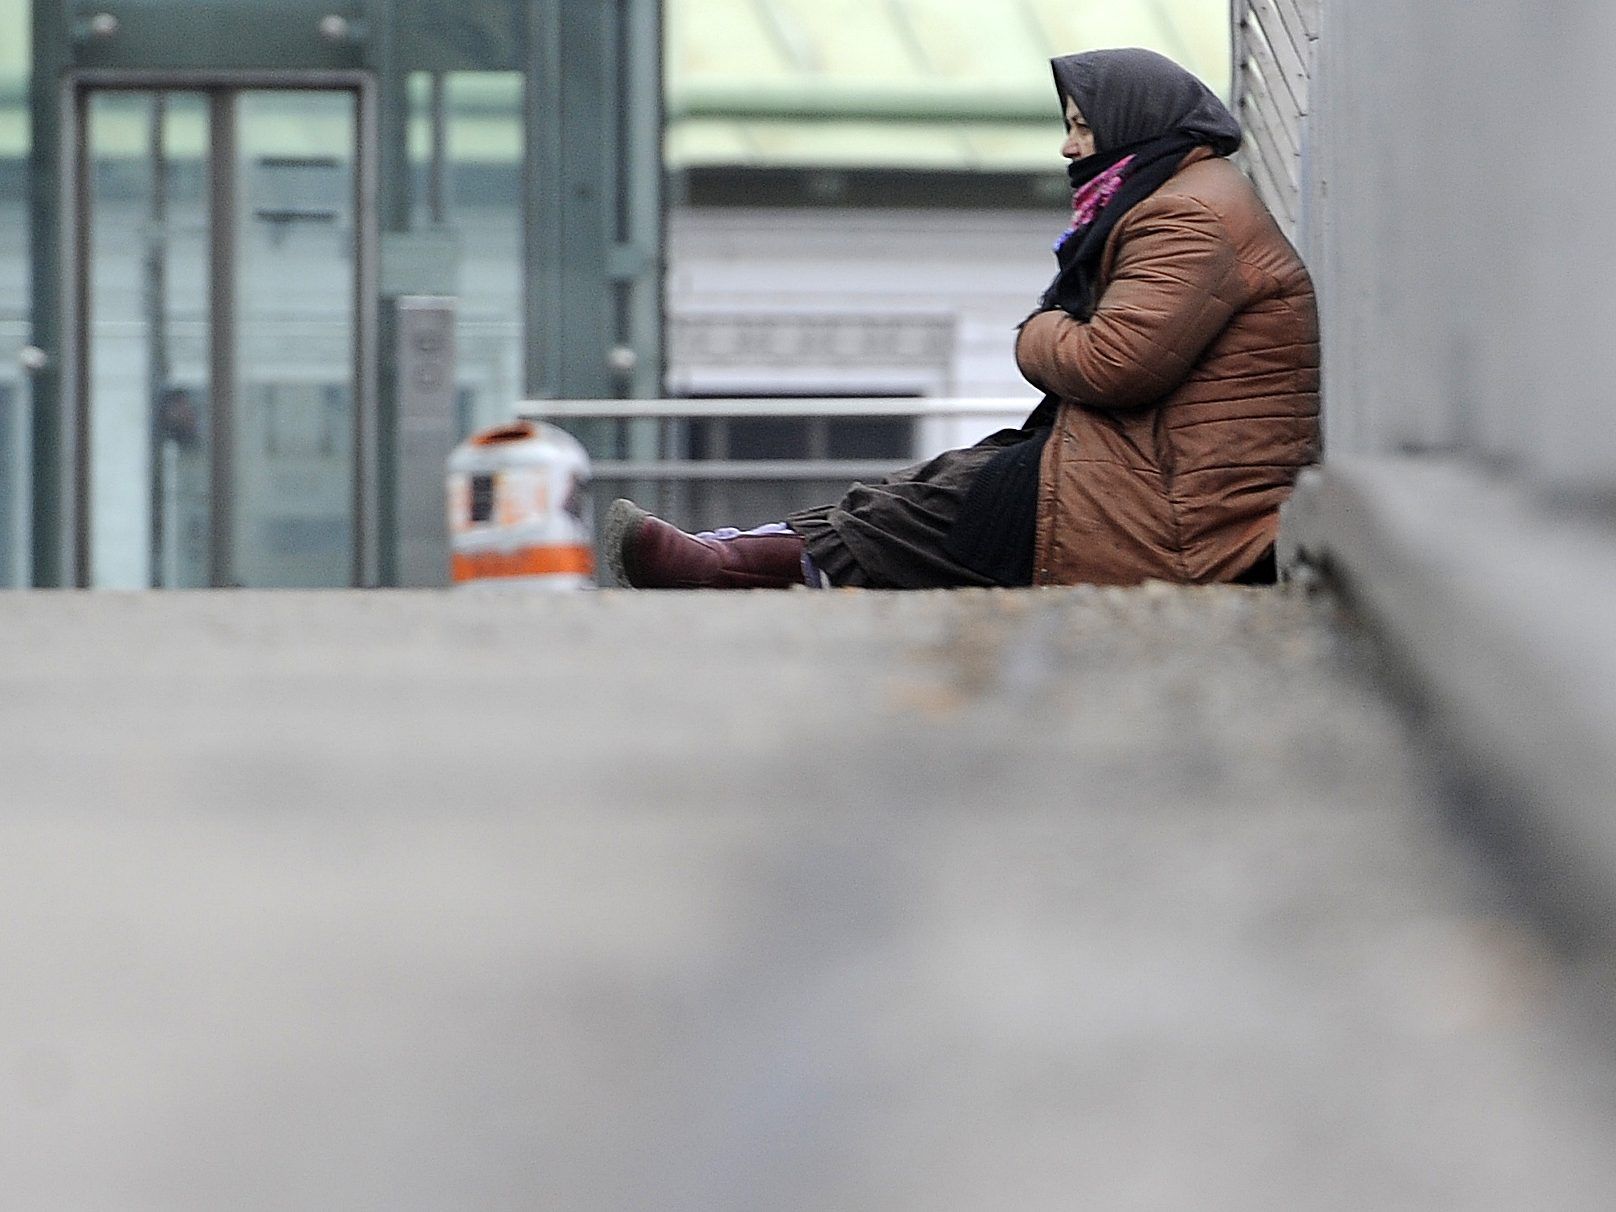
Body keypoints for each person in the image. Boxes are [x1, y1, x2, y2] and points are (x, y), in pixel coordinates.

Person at [604, 48, 1319, 590]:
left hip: (1181, 511)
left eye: (1081, 128)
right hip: (1156, 468)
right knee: (937, 483)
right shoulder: (1188, 197)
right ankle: (729, 552)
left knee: (964, 502)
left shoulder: (1186, 215)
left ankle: (727, 566)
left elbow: (1112, 364)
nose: (1070, 147)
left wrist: (1038, 330)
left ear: (1133, 122)